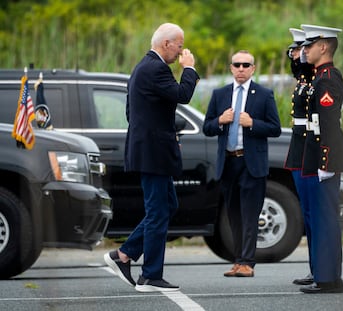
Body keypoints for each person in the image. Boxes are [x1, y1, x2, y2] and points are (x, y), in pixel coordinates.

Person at [104, 22, 199, 292]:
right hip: (153, 153)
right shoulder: (156, 68)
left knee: (167, 206)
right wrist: (189, 68)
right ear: (166, 43)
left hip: (151, 150)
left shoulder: (142, 67)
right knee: (158, 210)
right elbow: (184, 95)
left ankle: (124, 255)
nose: (181, 51)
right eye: (179, 45)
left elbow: (132, 112)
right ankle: (150, 275)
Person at [203, 50, 281, 277]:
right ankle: (238, 261)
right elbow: (207, 127)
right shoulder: (220, 94)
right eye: (237, 64)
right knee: (233, 215)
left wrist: (252, 123)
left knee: (250, 214)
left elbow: (274, 128)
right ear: (231, 67)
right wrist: (220, 120)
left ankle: (248, 262)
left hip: (251, 163)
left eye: (246, 65)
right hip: (228, 162)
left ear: (253, 69)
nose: (241, 68)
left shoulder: (264, 94)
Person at [298, 24, 343, 294]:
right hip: (315, 155)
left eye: (309, 46)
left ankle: (329, 280)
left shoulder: (329, 78)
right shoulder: (319, 76)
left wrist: (325, 163)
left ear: (323, 47)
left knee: (326, 220)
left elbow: (329, 124)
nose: (304, 50)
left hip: (325, 158)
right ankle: (326, 276)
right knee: (321, 219)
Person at [284, 28, 315, 286]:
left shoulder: (316, 79)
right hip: (299, 147)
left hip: (309, 147)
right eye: (295, 50)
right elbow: (297, 70)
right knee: (308, 214)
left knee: (315, 214)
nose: (296, 54)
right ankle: (316, 268)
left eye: (301, 49)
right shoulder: (303, 80)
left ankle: (321, 269)